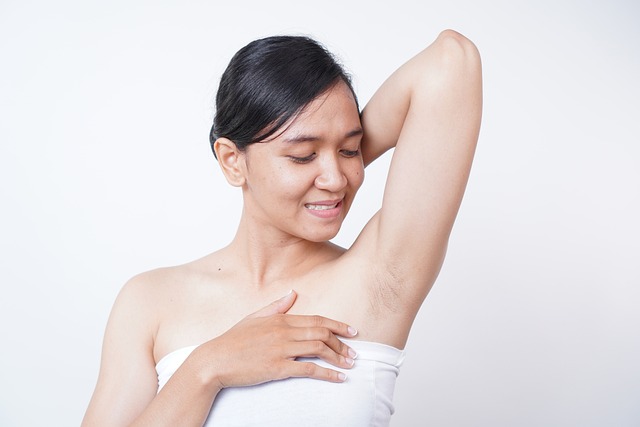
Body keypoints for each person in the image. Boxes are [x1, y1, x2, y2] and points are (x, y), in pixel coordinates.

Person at [82, 29, 482, 426]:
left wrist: (331, 157)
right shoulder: (150, 302)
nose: (337, 179)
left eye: (349, 150)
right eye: (303, 155)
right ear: (232, 161)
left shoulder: (380, 278)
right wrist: (207, 367)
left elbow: (452, 61)